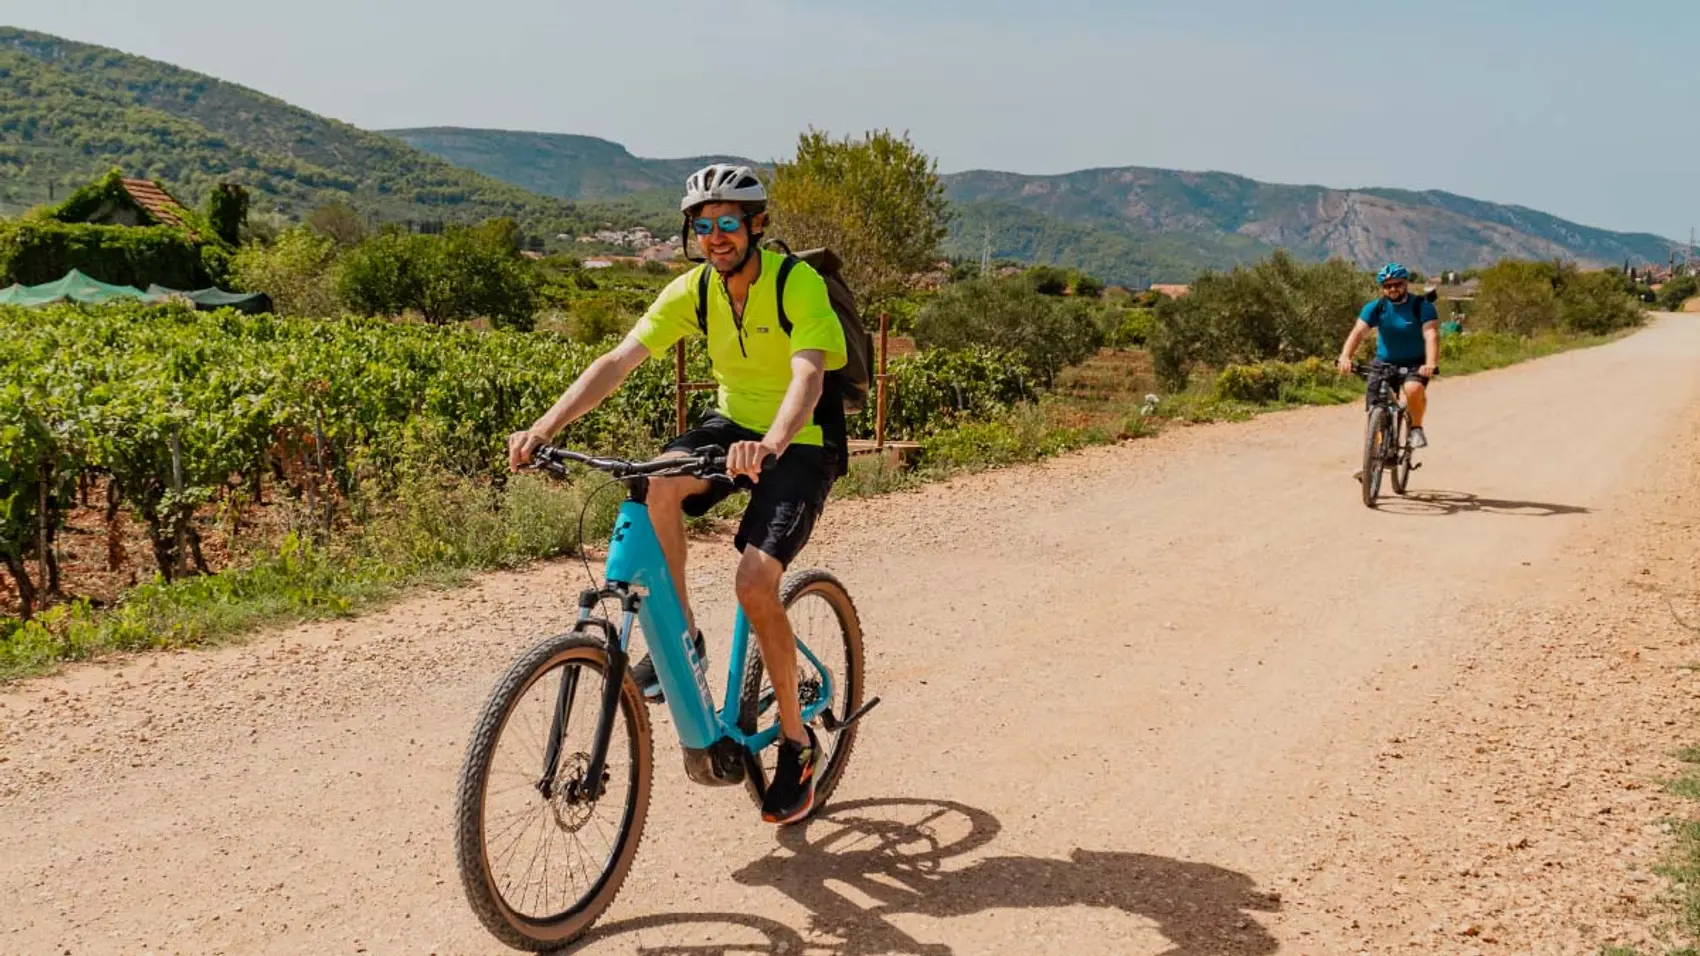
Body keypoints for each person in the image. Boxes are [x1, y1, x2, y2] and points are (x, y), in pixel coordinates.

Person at [506, 163, 848, 825]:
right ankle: (683, 646)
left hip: (799, 440)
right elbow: (618, 360)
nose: (715, 236)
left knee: (754, 581)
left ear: (754, 226)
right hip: (732, 425)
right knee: (653, 483)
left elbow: (807, 377)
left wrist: (772, 443)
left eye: (727, 223)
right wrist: (545, 426)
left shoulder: (795, 285)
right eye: (703, 225)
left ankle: (798, 747)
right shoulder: (694, 290)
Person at [1335, 262, 1440, 449]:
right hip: (1384, 362)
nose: (1393, 289)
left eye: (1397, 284)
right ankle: (1374, 457)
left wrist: (1430, 363)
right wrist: (1345, 357)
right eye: (1387, 286)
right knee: (1375, 406)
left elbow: (1431, 334)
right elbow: (1358, 332)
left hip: (1415, 363)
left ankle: (1416, 428)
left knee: (1413, 389)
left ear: (1405, 284)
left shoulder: (1421, 306)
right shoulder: (1376, 308)